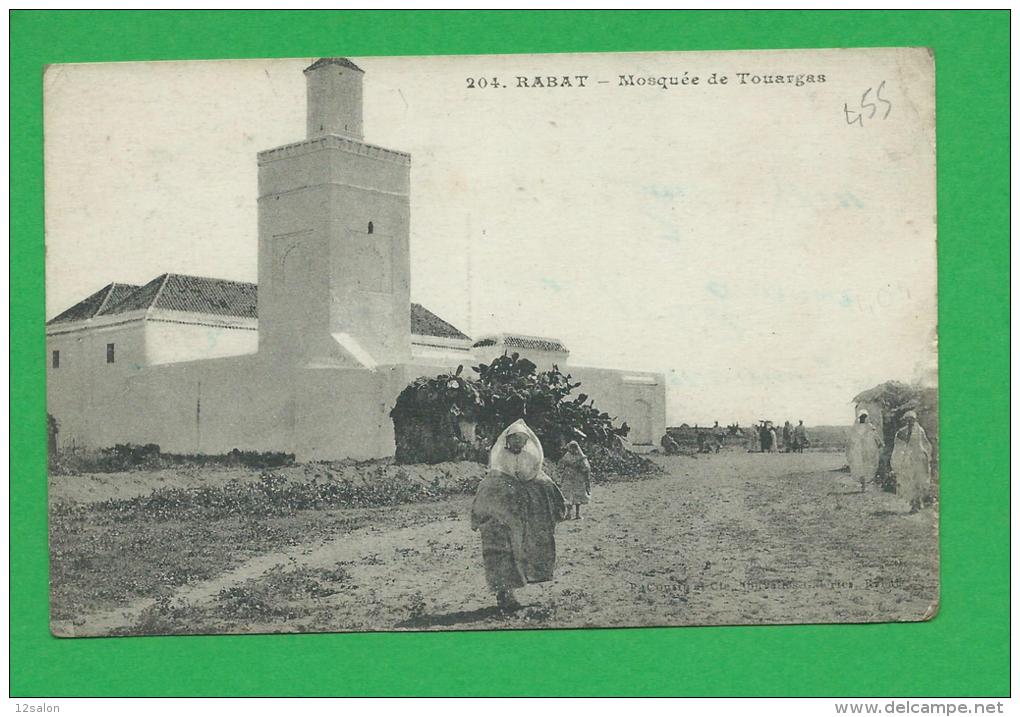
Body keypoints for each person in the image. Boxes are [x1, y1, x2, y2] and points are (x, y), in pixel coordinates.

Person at [470, 419, 567, 611]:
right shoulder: (496, 473)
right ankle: (504, 595)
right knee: (502, 555)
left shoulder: (532, 464)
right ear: (507, 440)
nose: (519, 444)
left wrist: (555, 508)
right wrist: (478, 517)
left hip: (524, 524)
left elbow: (548, 488)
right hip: (500, 524)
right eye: (515, 439)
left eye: (523, 440)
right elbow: (484, 495)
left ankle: (510, 594)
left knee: (524, 552)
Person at [891, 410, 932, 513]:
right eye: (908, 420)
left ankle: (919, 501)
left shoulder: (920, 431)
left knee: (919, 480)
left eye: (912, 420)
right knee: (910, 481)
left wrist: (927, 455)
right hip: (908, 460)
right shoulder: (902, 432)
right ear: (905, 421)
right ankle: (913, 504)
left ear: (915, 420)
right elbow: (898, 447)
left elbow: (926, 443)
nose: (910, 422)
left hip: (920, 458)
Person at [846, 410, 882, 492]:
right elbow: (851, 439)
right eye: (862, 417)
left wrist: (879, 443)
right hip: (858, 449)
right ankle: (863, 485)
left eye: (864, 417)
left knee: (867, 465)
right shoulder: (855, 428)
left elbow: (875, 436)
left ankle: (865, 484)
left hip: (868, 449)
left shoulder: (870, 427)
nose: (863, 419)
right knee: (860, 465)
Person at [557, 440, 592, 520]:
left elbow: (586, 468)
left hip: (578, 478)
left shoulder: (581, 457)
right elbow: (561, 465)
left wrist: (580, 468)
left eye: (574, 448)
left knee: (578, 496)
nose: (572, 450)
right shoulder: (567, 456)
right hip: (568, 477)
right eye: (571, 448)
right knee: (568, 496)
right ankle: (568, 514)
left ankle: (577, 514)